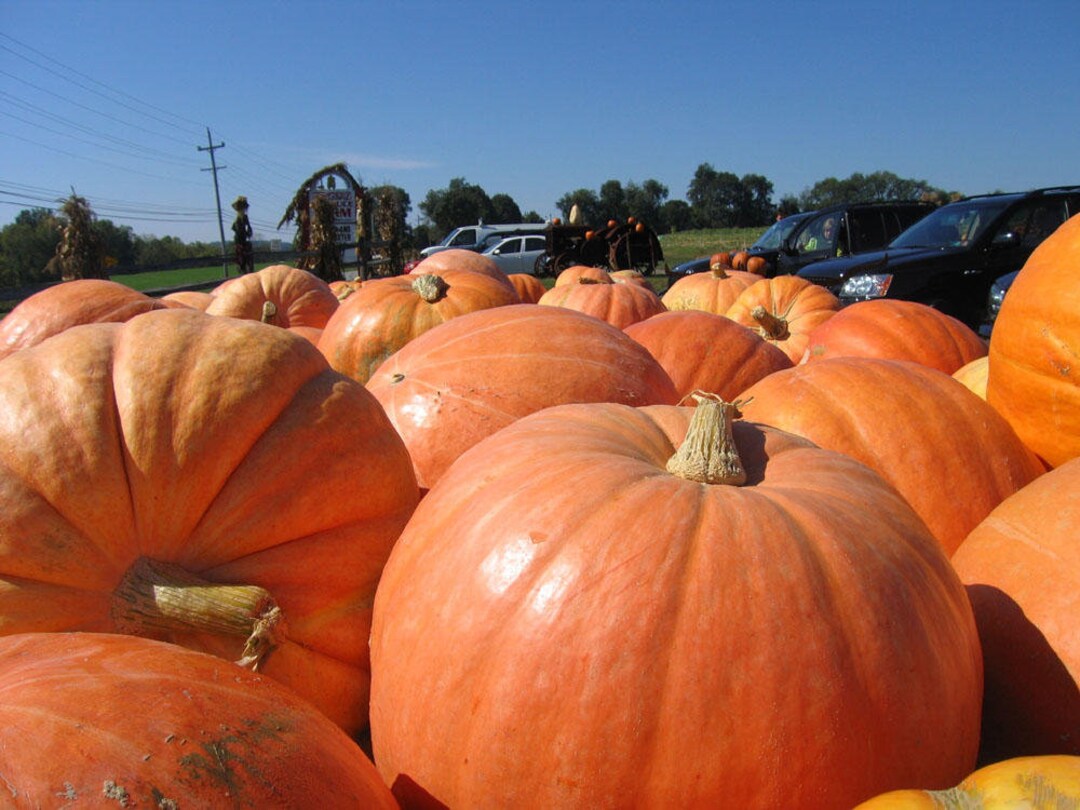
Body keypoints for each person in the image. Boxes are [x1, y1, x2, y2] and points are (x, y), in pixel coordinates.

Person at [231, 196, 254, 275]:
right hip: (239, 242)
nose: (243, 210)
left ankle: (247, 271)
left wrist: (249, 232)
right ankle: (243, 270)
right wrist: (244, 232)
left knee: (248, 257)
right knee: (241, 259)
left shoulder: (245, 218)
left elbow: (249, 228)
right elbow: (236, 229)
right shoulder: (237, 219)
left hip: (244, 241)